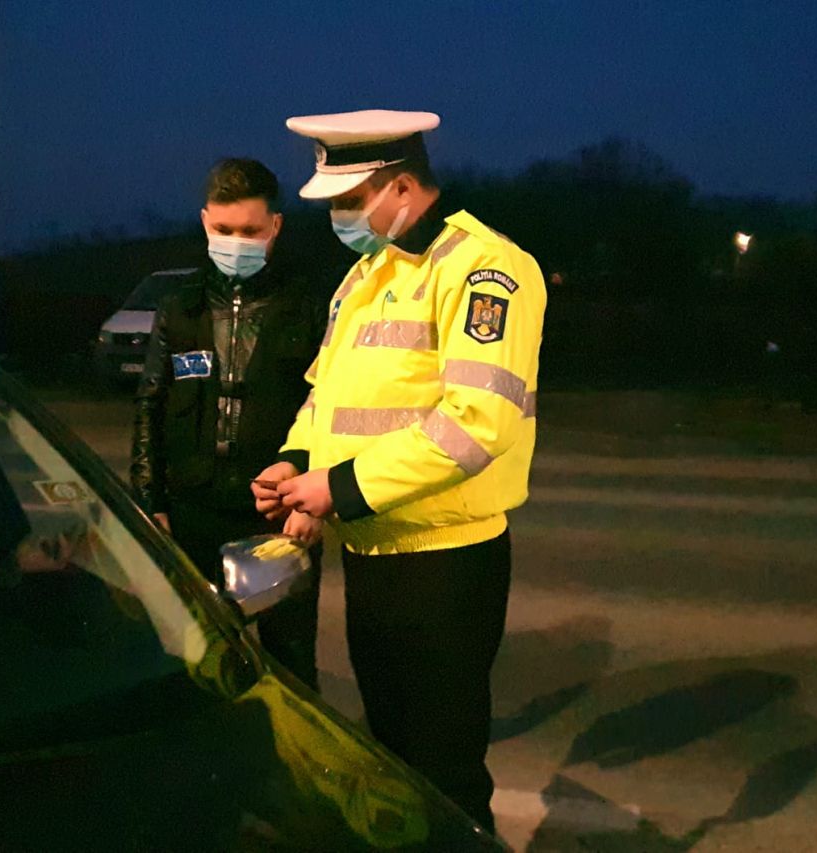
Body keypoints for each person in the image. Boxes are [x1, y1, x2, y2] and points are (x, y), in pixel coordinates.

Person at [251, 110, 547, 835]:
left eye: (351, 202)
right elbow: (326, 395)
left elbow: (476, 423)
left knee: (444, 771)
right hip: (373, 554)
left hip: (444, 565)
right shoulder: (367, 273)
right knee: (393, 757)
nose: (340, 219)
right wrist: (296, 462)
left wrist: (336, 488)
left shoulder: (485, 269)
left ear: (404, 187)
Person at [131, 158, 329, 690]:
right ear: (204, 222)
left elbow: (332, 406)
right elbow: (150, 404)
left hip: (276, 516)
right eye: (223, 230)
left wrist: (313, 498)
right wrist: (150, 503)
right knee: (195, 658)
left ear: (275, 227)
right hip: (191, 514)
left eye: (249, 231)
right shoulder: (180, 308)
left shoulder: (308, 305)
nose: (235, 242)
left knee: (290, 664)